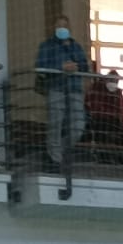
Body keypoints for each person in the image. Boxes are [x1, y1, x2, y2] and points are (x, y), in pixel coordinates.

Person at [34, 14, 90, 168]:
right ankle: (54, 158)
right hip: (56, 88)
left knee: (78, 125)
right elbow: (41, 67)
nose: (62, 28)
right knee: (55, 124)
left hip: (74, 89)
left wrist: (76, 67)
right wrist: (61, 68)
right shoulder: (47, 46)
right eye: (59, 26)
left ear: (69, 28)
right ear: (54, 28)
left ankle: (59, 150)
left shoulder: (76, 47)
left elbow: (85, 66)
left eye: (64, 26)